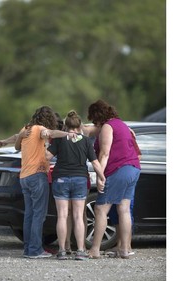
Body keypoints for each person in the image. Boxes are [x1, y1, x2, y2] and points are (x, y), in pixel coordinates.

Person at [13, 106, 78, 259]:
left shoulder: (26, 128)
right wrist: (68, 134)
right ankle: (35, 250)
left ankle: (28, 249)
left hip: (24, 177)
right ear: (48, 118)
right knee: (38, 215)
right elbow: (50, 133)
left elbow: (16, 147)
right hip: (37, 175)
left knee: (29, 214)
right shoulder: (40, 129)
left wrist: (21, 135)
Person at [45, 110, 106, 260]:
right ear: (79, 126)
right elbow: (95, 162)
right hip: (79, 179)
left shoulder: (59, 139)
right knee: (79, 216)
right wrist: (102, 177)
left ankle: (62, 250)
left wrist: (46, 144)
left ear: (65, 126)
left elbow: (47, 156)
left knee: (62, 215)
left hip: (60, 179)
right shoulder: (85, 141)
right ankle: (80, 250)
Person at [86, 100, 141, 259]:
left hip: (119, 169)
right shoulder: (121, 124)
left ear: (97, 116)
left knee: (100, 209)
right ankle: (124, 249)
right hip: (133, 168)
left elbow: (104, 154)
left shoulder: (107, 127)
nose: (94, 123)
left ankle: (94, 249)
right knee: (123, 208)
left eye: (94, 119)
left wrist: (100, 176)